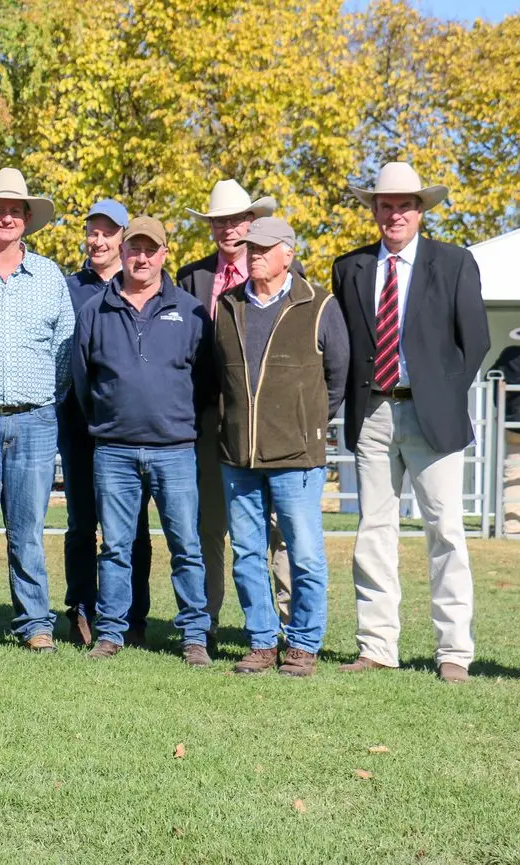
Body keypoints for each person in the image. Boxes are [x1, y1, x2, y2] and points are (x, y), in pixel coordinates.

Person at [331, 161, 490, 683]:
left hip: (432, 416)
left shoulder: (455, 263)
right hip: (372, 412)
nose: (393, 214)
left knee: (445, 530)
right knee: (373, 531)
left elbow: (476, 342)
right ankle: (377, 645)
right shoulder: (349, 266)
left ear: (420, 211)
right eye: (385, 205)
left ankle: (454, 652)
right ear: (373, 210)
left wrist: (440, 393)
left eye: (404, 205)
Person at [71, 216, 215, 666]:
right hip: (113, 450)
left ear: (165, 254)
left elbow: (206, 380)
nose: (142, 257)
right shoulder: (96, 309)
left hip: (175, 449)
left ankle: (194, 635)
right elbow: (81, 378)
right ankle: (111, 632)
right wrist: (107, 422)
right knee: (115, 547)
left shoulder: (190, 312)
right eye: (135, 248)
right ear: (123, 250)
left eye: (151, 249)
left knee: (186, 546)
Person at [212, 217, 349, 677]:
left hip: (297, 458)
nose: (254, 255)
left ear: (288, 253)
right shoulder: (228, 306)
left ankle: (304, 644)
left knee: (304, 553)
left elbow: (337, 379)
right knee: (247, 554)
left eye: (265, 249)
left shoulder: (319, 304)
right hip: (239, 456)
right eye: (251, 248)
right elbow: (219, 379)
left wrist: (305, 426)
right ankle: (262, 641)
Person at [0, 167, 75, 653]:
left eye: (15, 210)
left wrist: (45, 396)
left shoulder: (48, 276)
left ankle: (34, 623)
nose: (7, 217)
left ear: (27, 219)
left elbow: (64, 348)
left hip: (35, 418)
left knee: (28, 529)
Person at [178, 179, 300, 627]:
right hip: (210, 416)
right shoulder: (191, 277)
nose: (229, 230)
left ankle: (288, 624)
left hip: (271, 420)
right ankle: (204, 620)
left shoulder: (287, 276)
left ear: (254, 223)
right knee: (209, 525)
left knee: (277, 528)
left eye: (237, 221)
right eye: (219, 222)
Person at [60, 199, 152, 647]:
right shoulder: (68, 288)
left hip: (125, 428)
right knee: (82, 522)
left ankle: (134, 614)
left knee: (131, 527)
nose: (97, 240)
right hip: (80, 426)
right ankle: (80, 607)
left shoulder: (136, 286)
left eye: (107, 233)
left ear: (122, 238)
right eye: (91, 232)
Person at [489, 345, 520, 535]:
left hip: (513, 424)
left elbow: (490, 378)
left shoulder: (509, 355)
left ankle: (513, 526)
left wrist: (501, 410)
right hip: (513, 422)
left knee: (513, 475)